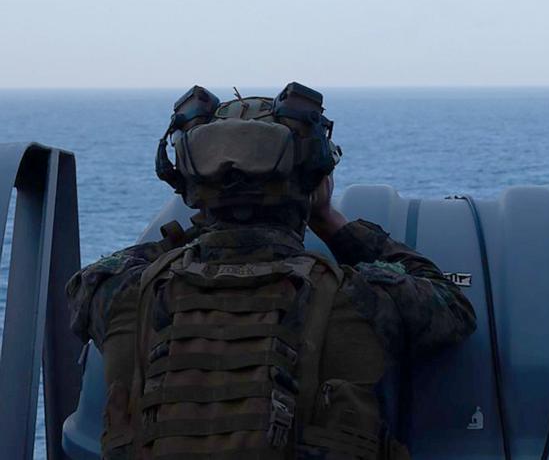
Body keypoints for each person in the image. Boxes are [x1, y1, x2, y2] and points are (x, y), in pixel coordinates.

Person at [66, 82, 477, 460]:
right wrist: (330, 220)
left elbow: (91, 280)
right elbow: (451, 308)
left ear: (189, 185)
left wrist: (200, 227)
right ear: (314, 180)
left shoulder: (124, 295)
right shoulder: (357, 298)